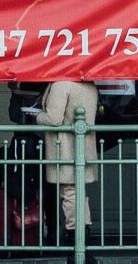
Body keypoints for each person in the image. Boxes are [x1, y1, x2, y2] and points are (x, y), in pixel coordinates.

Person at [36, 79, 100, 246]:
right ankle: (83, 235)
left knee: (69, 191)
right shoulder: (89, 84)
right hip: (84, 145)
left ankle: (75, 238)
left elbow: (54, 119)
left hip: (65, 147)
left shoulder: (61, 85)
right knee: (79, 192)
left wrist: (37, 115)